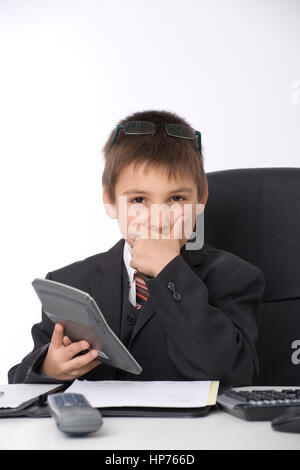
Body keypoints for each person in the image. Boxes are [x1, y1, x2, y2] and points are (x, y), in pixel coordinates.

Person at [8, 109, 265, 387]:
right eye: (139, 199)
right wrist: (48, 367)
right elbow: (19, 384)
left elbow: (235, 376)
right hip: (101, 430)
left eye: (176, 198)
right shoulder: (70, 283)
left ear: (201, 199)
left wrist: (170, 272)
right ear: (109, 200)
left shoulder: (234, 278)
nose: (158, 218)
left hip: (191, 429)